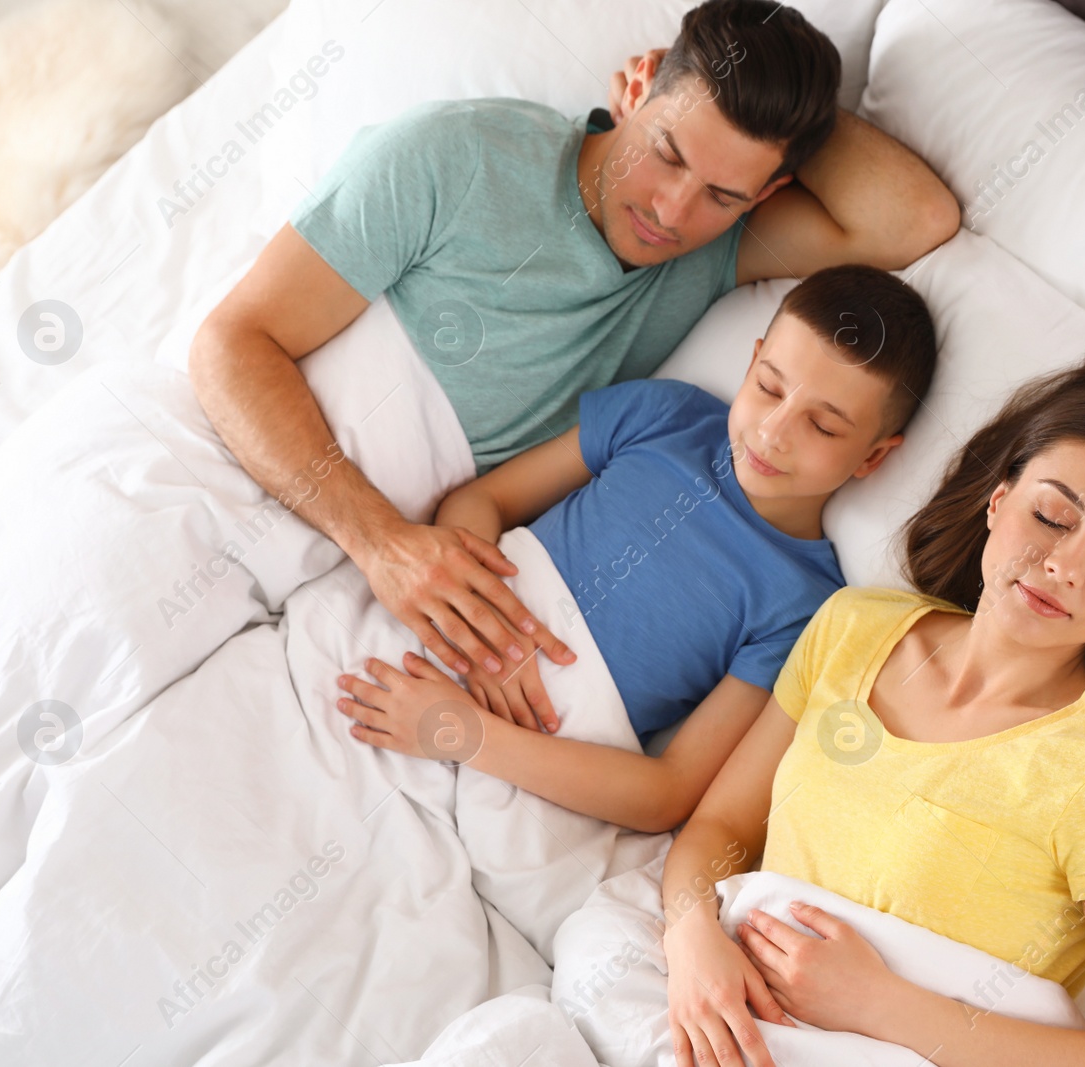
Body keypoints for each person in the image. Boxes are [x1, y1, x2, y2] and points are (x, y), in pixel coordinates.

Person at [188, 0, 961, 717]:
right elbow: (231, 346)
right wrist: (379, 542)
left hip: (367, 580)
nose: (673, 212)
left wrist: (792, 117)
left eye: (725, 193)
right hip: (221, 469)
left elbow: (917, 218)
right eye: (667, 152)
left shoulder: (711, 253)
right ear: (634, 90)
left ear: (768, 194)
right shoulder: (456, 154)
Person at [657, 349, 1085, 1066]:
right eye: (1051, 515)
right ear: (999, 498)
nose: (1064, 565)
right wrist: (692, 942)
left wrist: (879, 1002)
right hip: (712, 1002)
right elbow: (721, 826)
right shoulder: (854, 625)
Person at [330, 265, 937, 833]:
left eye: (823, 426)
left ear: (875, 455)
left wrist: (466, 733)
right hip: (440, 637)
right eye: (769, 387)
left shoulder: (806, 606)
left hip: (533, 753)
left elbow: (668, 794)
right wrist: (492, 637)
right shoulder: (666, 416)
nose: (773, 433)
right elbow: (479, 504)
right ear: (752, 360)